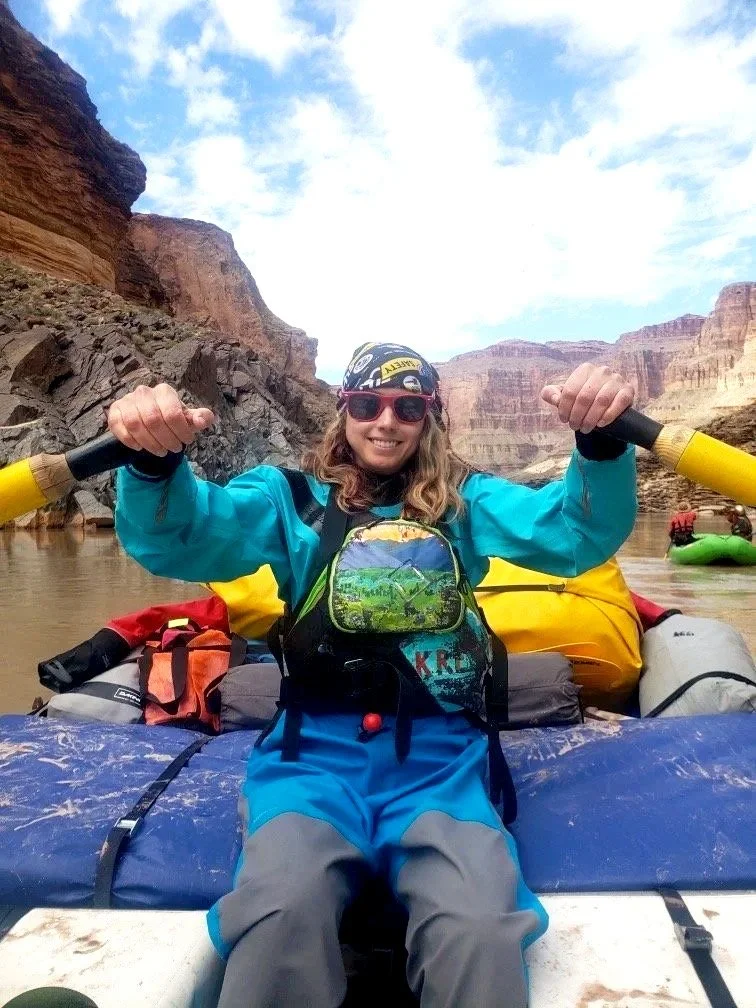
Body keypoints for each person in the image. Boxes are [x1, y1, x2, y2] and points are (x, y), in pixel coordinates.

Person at [107, 347, 637, 1008]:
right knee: (278, 913)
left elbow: (574, 534)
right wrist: (155, 464)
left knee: (479, 930)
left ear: (429, 418)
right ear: (345, 410)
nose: (386, 422)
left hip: (440, 768)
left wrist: (602, 447)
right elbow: (180, 537)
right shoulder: (287, 501)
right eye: (367, 405)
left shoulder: (467, 503)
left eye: (407, 407)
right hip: (310, 764)